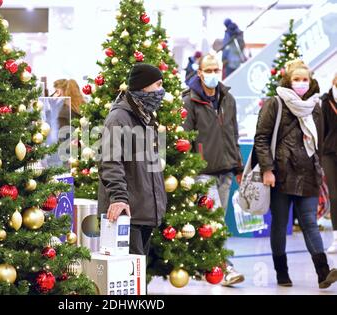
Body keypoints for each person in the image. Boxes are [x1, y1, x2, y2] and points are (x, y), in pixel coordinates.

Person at [254, 60, 337, 289]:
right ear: (288, 81)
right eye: (296, 79)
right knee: (280, 225)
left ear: (310, 82)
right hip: (281, 174)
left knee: (310, 222)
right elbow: (261, 138)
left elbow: (318, 142)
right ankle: (282, 272)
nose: (301, 84)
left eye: (305, 80)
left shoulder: (315, 107)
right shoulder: (276, 104)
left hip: (309, 174)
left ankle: (323, 274)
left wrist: (320, 171)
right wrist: (268, 169)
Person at [182, 53, 245, 286]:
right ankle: (225, 268)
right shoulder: (189, 101)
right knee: (215, 223)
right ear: (199, 73)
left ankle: (205, 264)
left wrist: (238, 166)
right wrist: (190, 168)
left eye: (215, 70)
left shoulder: (229, 99)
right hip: (203, 173)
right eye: (207, 70)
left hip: (226, 171)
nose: (212, 74)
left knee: (215, 222)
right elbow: (185, 139)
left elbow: (233, 134)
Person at [98, 64, 167, 256]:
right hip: (128, 213)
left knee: (137, 273)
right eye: (158, 85)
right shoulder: (119, 117)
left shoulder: (145, 117)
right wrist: (119, 198)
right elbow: (110, 162)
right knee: (129, 275)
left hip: (143, 211)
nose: (161, 91)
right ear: (143, 86)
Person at [322, 73, 337, 254]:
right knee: (334, 196)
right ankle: (335, 237)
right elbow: (322, 129)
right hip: (329, 153)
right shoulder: (325, 102)